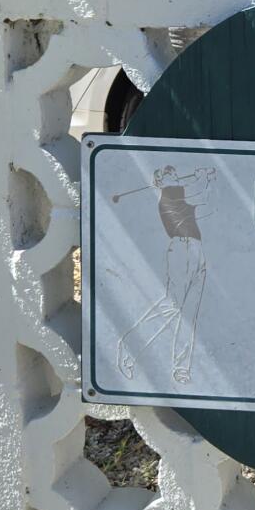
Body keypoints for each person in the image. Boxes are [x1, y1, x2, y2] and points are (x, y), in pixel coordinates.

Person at [107, 164, 216, 385]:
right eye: (168, 176)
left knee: (189, 316)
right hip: (181, 250)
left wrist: (207, 181)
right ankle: (129, 347)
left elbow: (209, 207)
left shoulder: (178, 195)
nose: (174, 177)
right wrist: (203, 178)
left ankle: (181, 370)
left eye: (175, 174)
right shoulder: (169, 197)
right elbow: (201, 198)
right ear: (159, 183)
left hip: (196, 250)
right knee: (173, 307)